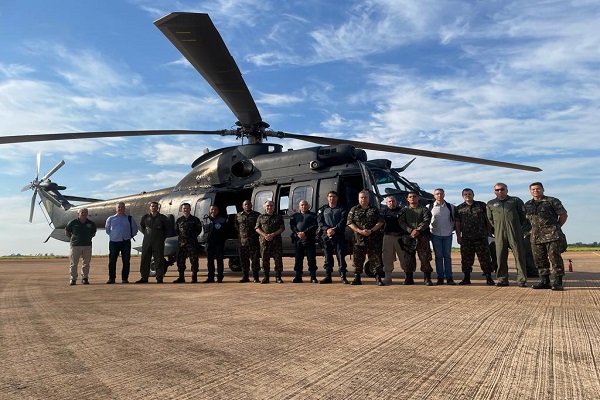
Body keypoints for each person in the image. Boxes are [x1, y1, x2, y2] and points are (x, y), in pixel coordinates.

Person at [525, 182, 568, 291]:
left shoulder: (551, 201)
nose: (536, 191)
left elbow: (563, 215)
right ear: (530, 191)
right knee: (539, 259)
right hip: (536, 236)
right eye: (533, 189)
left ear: (543, 190)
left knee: (554, 257)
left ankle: (558, 281)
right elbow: (527, 220)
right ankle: (545, 281)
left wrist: (556, 227)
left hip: (552, 234)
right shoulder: (528, 204)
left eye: (538, 189)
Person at [486, 183, 527, 287]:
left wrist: (517, 227)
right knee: (500, 256)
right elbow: (490, 219)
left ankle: (521, 279)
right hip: (499, 232)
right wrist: (498, 227)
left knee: (519, 255)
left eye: (502, 189)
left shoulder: (515, 200)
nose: (500, 191)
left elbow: (523, 216)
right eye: (497, 190)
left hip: (515, 231)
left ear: (507, 190)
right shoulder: (491, 203)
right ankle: (502, 279)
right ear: (494, 191)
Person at [454, 188, 495, 286]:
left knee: (485, 258)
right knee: (466, 259)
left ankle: (489, 278)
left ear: (473, 195)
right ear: (462, 196)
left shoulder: (481, 205)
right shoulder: (459, 208)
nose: (467, 196)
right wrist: (458, 236)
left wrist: (488, 232)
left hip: (481, 236)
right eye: (465, 194)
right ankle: (466, 278)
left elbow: (488, 219)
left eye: (469, 194)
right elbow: (457, 223)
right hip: (467, 238)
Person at [347, 190, 385, 286]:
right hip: (358, 239)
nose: (363, 199)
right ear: (359, 199)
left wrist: (371, 230)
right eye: (362, 197)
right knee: (357, 259)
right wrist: (360, 231)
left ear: (368, 198)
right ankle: (357, 278)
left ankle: (378, 278)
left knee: (375, 259)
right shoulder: (354, 209)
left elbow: (380, 222)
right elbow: (349, 223)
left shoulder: (374, 209)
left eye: (365, 197)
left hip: (373, 239)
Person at [398, 191, 434, 286]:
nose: (412, 198)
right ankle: (409, 278)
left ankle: (427, 278)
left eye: (414, 196)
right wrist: (410, 231)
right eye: (410, 197)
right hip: (409, 237)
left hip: (422, 236)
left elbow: (427, 220)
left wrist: (418, 230)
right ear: (407, 199)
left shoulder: (424, 209)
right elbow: (401, 222)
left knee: (424, 257)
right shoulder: (404, 210)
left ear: (418, 198)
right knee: (408, 258)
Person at [317, 191, 349, 284]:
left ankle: (343, 276)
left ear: (337, 198)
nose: (332, 198)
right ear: (327, 198)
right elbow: (320, 221)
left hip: (338, 235)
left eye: (334, 196)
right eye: (330, 196)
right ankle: (328, 276)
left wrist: (335, 229)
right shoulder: (322, 209)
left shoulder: (342, 208)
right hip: (326, 236)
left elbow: (343, 221)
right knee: (327, 257)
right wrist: (327, 229)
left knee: (340, 256)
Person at [105, 202, 138, 284]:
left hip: (125, 242)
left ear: (125, 208)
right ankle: (111, 278)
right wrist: (114, 236)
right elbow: (107, 230)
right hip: (114, 242)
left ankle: (125, 278)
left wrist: (129, 236)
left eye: (122, 207)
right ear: (116, 209)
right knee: (112, 261)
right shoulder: (111, 219)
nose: (120, 208)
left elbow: (135, 229)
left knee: (126, 261)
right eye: (119, 207)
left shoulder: (129, 218)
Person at [137, 201, 170, 284]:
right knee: (145, 259)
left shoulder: (163, 218)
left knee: (159, 259)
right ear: (150, 207)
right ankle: (144, 277)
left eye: (155, 206)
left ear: (158, 207)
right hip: (147, 241)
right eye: (152, 206)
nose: (154, 207)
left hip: (158, 241)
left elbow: (167, 229)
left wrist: (162, 237)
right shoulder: (145, 217)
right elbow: (142, 227)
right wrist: (148, 234)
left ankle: (159, 278)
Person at [428, 188, 456, 285]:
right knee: (438, 257)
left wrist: (451, 229)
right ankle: (440, 277)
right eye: (437, 194)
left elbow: (454, 220)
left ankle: (449, 277)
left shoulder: (450, 207)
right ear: (434, 196)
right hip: (435, 234)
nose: (439, 195)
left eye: (441, 194)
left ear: (444, 195)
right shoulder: (429, 207)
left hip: (447, 234)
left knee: (447, 256)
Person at [255, 200, 285, 283]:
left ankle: (278, 277)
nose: (269, 207)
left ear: (274, 207)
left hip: (276, 241)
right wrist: (265, 235)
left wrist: (273, 234)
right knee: (265, 259)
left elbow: (282, 228)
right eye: (268, 206)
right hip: (264, 241)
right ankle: (266, 277)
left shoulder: (279, 217)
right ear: (265, 207)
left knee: (278, 259)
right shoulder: (260, 217)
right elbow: (257, 228)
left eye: (271, 206)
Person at [65, 208, 97, 285]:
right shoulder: (73, 223)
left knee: (86, 263)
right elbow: (67, 232)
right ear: (78, 214)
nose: (84, 214)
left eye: (85, 212)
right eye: (82, 212)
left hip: (87, 246)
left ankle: (85, 278)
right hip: (75, 246)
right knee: (74, 263)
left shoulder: (91, 223)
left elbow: (93, 233)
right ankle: (73, 279)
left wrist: (87, 238)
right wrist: (74, 239)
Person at [289, 200, 318, 283]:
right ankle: (298, 276)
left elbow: (315, 225)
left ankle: (313, 277)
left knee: (311, 259)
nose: (304, 206)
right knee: (298, 259)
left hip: (309, 239)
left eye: (305, 205)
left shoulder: (313, 216)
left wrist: (305, 233)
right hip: (298, 240)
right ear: (299, 206)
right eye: (302, 205)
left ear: (308, 206)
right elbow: (292, 226)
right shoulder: (295, 216)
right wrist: (298, 233)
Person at [381, 196, 408, 285]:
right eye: (389, 201)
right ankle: (388, 277)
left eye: (393, 201)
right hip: (388, 236)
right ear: (386, 203)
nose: (391, 203)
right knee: (387, 258)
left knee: (403, 257)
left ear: (396, 202)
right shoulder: (383, 212)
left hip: (400, 237)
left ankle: (407, 277)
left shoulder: (402, 211)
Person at [173, 203, 202, 283]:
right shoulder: (179, 220)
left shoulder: (195, 220)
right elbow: (177, 231)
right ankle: (181, 277)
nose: (185, 210)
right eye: (184, 208)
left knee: (194, 260)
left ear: (190, 209)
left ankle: (194, 277)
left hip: (192, 243)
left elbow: (199, 230)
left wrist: (191, 237)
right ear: (181, 210)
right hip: (181, 244)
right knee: (180, 261)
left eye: (187, 208)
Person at [235, 200, 261, 283]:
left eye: (248, 204)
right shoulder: (238, 215)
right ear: (243, 206)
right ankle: (245, 276)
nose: (247, 205)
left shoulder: (257, 215)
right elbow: (236, 226)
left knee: (255, 260)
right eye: (245, 204)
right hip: (242, 242)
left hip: (254, 241)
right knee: (243, 260)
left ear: (251, 205)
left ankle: (255, 277)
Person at [202, 205, 227, 283]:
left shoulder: (222, 220)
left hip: (218, 243)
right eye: (212, 209)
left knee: (219, 260)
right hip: (209, 243)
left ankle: (220, 277)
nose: (213, 211)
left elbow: (226, 232)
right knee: (209, 261)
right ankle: (210, 277)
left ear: (218, 211)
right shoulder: (205, 220)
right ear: (209, 210)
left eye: (215, 209)